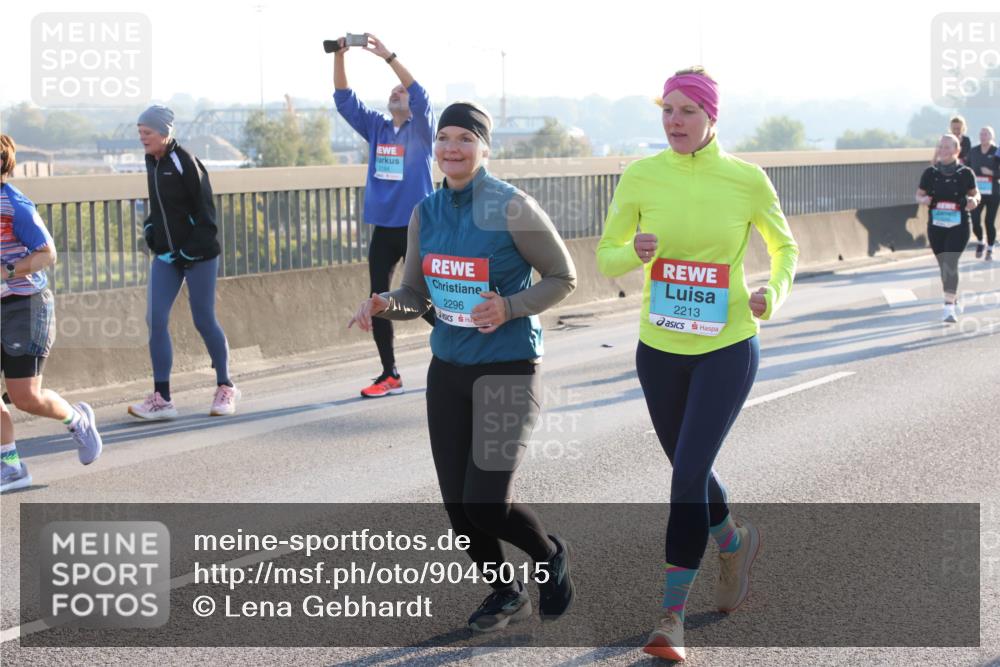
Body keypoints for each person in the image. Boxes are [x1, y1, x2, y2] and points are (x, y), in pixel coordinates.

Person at [349, 101, 578, 632]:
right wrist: (386, 301)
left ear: (484, 147)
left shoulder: (511, 206)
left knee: (486, 502)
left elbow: (562, 275)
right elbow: (414, 292)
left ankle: (549, 558)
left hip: (508, 370)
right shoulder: (424, 211)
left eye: (465, 139)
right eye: (445, 138)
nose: (452, 147)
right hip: (448, 371)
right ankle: (505, 593)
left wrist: (510, 306)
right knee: (458, 507)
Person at [596, 67, 798, 662]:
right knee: (691, 469)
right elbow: (605, 258)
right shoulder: (640, 175)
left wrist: (773, 292)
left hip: (727, 344)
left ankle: (670, 619)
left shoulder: (746, 180)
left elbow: (785, 246)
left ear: (712, 117)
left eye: (687, 111)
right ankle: (733, 541)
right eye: (667, 110)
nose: (674, 122)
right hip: (659, 348)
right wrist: (629, 251)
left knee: (684, 479)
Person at [334, 33, 436, 398]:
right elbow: (345, 102)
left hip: (417, 227)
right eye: (392, 91)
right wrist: (340, 56)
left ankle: (461, 345)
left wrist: (388, 57)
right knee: (378, 299)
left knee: (425, 298)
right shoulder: (377, 128)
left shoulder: (422, 131)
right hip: (384, 227)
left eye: (401, 92)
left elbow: (421, 95)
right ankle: (389, 373)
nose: (397, 93)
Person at [1, 134, 103, 493]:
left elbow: (47, 254)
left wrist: (7, 271)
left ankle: (77, 421)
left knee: (25, 397)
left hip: (23, 305)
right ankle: (10, 466)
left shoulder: (14, 205)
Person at [128, 105, 239, 420]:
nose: (142, 138)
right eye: (139, 132)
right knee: (155, 319)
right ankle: (162, 398)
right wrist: (150, 229)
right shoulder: (153, 160)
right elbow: (159, 207)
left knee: (203, 320)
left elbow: (207, 215)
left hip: (199, 253)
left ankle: (226, 387)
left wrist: (189, 251)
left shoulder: (184, 161)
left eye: (146, 132)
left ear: (164, 132)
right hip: (167, 256)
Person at [916, 134, 981, 323]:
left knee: (950, 262)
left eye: (947, 147)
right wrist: (923, 200)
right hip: (936, 225)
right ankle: (953, 297)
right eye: (940, 147)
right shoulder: (930, 173)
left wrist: (973, 201)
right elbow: (919, 195)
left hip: (959, 224)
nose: (942, 150)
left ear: (956, 150)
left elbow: (975, 194)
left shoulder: (965, 172)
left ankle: (948, 307)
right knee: (943, 265)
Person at [966, 126, 998, 260]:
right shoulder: (973, 151)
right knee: (975, 220)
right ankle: (980, 240)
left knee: (989, 222)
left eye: (986, 134)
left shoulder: (997, 151)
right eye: (981, 134)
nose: (983, 136)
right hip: (976, 192)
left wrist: (992, 173)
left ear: (992, 137)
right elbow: (966, 168)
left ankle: (990, 248)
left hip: (993, 192)